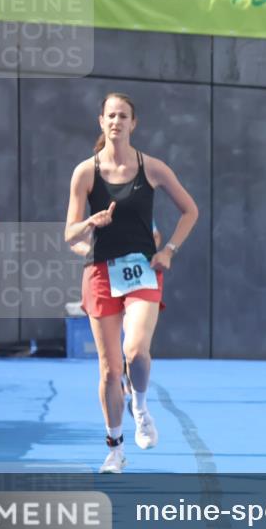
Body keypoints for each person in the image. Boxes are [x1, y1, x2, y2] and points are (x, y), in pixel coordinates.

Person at [65, 92, 198, 473]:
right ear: (101, 121)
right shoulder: (85, 172)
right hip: (101, 273)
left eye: (123, 116)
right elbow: (69, 234)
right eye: (111, 116)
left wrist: (169, 249)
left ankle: (140, 407)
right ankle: (115, 448)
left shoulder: (152, 168)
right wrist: (91, 223)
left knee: (135, 352)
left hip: (141, 271)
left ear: (133, 123)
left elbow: (190, 210)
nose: (116, 122)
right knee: (109, 370)